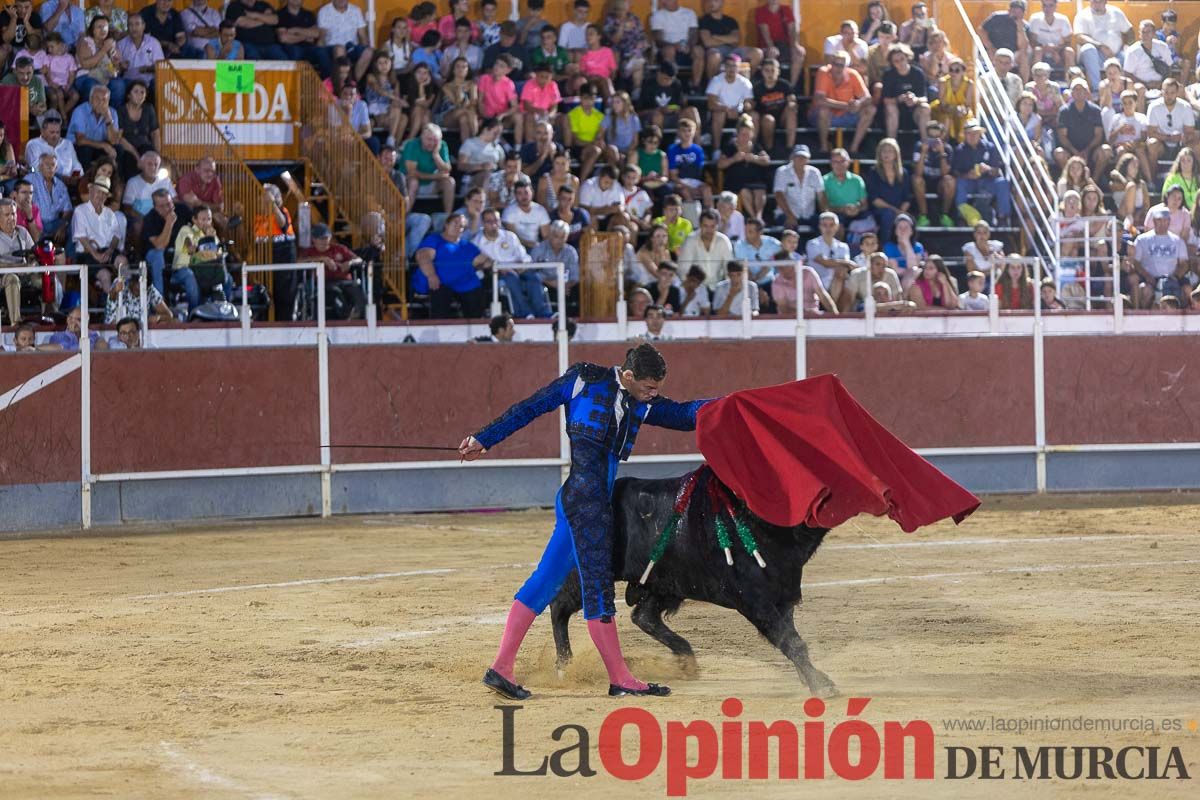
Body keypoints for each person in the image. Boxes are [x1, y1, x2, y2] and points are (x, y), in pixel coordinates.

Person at [462, 343, 712, 700]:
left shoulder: (629, 398)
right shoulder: (583, 379)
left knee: (546, 580)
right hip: (590, 506)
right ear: (627, 375)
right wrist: (483, 439)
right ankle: (621, 679)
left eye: (656, 388)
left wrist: (730, 405)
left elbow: (686, 414)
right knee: (597, 589)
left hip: (574, 499)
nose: (653, 395)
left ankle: (501, 668)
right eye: (648, 388)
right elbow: (529, 408)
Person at [413, 213, 488, 318]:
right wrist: (431, 275)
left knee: (476, 293)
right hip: (439, 283)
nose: (457, 227)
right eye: (455, 223)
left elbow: (484, 260)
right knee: (440, 292)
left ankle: (476, 327)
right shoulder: (434, 240)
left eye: (461, 226)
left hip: (463, 284)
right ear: (446, 224)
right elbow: (423, 256)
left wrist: (485, 264)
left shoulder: (467, 245)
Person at [809, 50, 874, 155]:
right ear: (831, 63)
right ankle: (824, 148)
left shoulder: (853, 74)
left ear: (847, 66)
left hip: (846, 115)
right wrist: (846, 106)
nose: (838, 68)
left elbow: (867, 98)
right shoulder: (823, 72)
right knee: (823, 110)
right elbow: (819, 100)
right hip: (824, 116)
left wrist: (859, 103)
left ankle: (854, 149)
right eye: (835, 64)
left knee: (870, 110)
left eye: (841, 65)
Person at [301, 222, 366, 320]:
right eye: (321, 238)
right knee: (335, 292)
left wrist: (349, 263)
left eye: (326, 238)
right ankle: (346, 315)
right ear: (314, 239)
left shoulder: (339, 248)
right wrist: (322, 259)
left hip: (345, 281)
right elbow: (299, 261)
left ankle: (359, 317)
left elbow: (359, 259)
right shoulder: (310, 251)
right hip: (325, 283)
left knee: (358, 292)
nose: (324, 241)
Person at [953, 120, 1013, 226]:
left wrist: (988, 169)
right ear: (965, 135)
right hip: (969, 182)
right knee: (960, 183)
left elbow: (996, 171)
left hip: (987, 181)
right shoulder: (959, 150)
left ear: (980, 134)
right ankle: (961, 216)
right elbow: (955, 172)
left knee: (1002, 182)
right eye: (969, 133)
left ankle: (1002, 217)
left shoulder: (990, 147)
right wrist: (967, 175)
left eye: (975, 133)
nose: (972, 136)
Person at [1129, 207, 1189, 308]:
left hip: (1172, 278)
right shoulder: (1142, 240)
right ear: (1154, 221)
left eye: (1165, 220)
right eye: (1159, 220)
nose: (1162, 223)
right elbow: (1136, 262)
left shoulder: (1177, 241)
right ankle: (1143, 317)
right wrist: (1148, 277)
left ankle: (1185, 317)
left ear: (1169, 221)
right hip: (1150, 279)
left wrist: (1175, 276)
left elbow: (1184, 264)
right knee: (1145, 290)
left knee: (1187, 289)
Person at [1073, 0, 1132, 92]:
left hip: (1117, 54)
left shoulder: (1116, 12)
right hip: (1096, 55)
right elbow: (1079, 37)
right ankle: (1097, 89)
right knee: (1087, 49)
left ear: (1105, 2)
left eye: (1099, 1)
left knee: (1130, 52)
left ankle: (1125, 89)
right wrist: (1100, 46)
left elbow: (1129, 31)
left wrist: (1127, 45)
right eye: (1094, 1)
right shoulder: (1083, 15)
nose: (1096, 3)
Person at [401, 123, 455, 215]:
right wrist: (435, 176)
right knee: (414, 182)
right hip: (409, 183)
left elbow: (447, 169)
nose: (432, 143)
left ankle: (448, 216)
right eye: (429, 139)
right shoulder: (412, 145)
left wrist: (436, 155)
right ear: (422, 137)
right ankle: (405, 215)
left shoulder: (442, 145)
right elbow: (412, 172)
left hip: (430, 182)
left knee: (450, 182)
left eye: (435, 140)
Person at [881, 43, 930, 142]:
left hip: (914, 112)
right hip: (895, 112)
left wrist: (914, 99)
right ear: (892, 63)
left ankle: (925, 144)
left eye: (902, 59)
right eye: (896, 61)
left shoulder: (918, 73)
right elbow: (886, 100)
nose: (900, 63)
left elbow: (924, 98)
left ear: (907, 57)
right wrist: (899, 99)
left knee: (925, 107)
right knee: (891, 108)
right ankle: (891, 143)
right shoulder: (888, 75)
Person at [912, 121, 956, 228]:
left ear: (941, 136)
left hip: (939, 183)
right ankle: (923, 216)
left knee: (950, 180)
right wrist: (923, 153)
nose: (933, 141)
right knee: (916, 179)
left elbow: (945, 173)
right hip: (924, 181)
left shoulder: (948, 149)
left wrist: (941, 153)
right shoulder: (919, 146)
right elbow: (918, 172)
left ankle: (945, 215)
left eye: (936, 137)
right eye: (931, 137)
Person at [0, 198, 35, 325]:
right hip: (3, 277)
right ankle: (15, 322)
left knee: (47, 277)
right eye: (7, 215)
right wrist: (14, 267)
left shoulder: (22, 232)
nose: (11, 218)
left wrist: (32, 265)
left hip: (24, 273)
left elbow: (33, 255)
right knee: (12, 278)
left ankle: (49, 316)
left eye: (13, 214)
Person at [754, 0, 805, 87]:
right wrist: (771, 47)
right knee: (772, 53)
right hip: (766, 45)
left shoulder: (786, 10)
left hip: (784, 44)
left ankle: (791, 87)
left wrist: (795, 45)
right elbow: (765, 32)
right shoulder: (760, 11)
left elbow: (792, 30)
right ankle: (773, 86)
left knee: (799, 53)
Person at [678, 209, 732, 290]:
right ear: (700, 225)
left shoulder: (723, 241)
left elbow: (729, 268)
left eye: (712, 226)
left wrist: (727, 289)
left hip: (718, 288)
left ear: (718, 225)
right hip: (695, 288)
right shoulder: (690, 240)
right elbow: (684, 269)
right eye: (705, 226)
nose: (709, 230)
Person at [773, 145, 823, 229]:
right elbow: (779, 195)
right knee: (790, 227)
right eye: (797, 156)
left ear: (808, 159)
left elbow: (821, 195)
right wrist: (790, 216)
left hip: (809, 215)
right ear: (792, 157)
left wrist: (825, 214)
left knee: (826, 224)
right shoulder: (782, 171)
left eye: (804, 157)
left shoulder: (814, 172)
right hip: (785, 214)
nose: (800, 159)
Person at [981, 0, 1031, 82]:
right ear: (1009, 10)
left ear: (1024, 13)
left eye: (1019, 11)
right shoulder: (997, 17)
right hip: (994, 49)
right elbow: (981, 31)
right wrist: (990, 47)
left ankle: (1023, 85)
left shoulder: (1025, 26)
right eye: (1014, 10)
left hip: (1013, 53)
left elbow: (1023, 47)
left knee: (1024, 57)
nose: (1016, 13)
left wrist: (1020, 29)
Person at [1029, 0, 1074, 72]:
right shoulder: (1035, 19)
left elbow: (1068, 42)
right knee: (1037, 50)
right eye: (1045, 5)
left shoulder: (1063, 20)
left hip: (1058, 50)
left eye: (1051, 5)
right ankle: (1038, 77)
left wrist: (1055, 50)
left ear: (1056, 6)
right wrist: (1046, 48)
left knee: (1069, 51)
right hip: (1042, 50)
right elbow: (1032, 41)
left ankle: (1071, 78)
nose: (1047, 9)